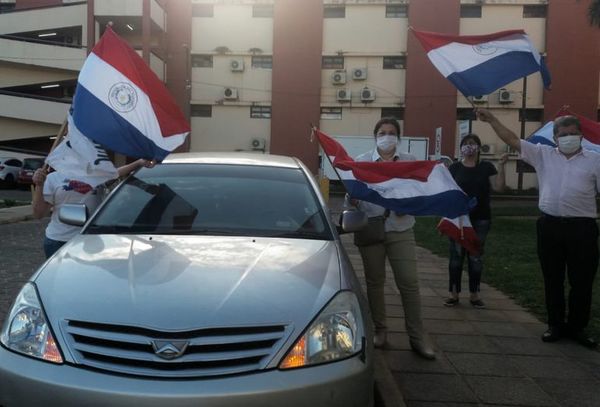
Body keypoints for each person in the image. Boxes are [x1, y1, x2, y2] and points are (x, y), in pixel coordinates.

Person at [477, 108, 598, 349]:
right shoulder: (543, 155)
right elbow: (512, 139)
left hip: (582, 229)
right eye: (563, 134)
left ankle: (577, 327)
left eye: (573, 133)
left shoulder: (595, 161)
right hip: (549, 226)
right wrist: (492, 119)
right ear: (555, 138)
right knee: (552, 278)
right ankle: (555, 324)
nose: (568, 138)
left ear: (581, 135)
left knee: (581, 281)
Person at [350, 117, 435, 359]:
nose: (387, 136)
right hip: (372, 229)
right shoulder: (362, 162)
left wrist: (408, 203)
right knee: (375, 283)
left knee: (409, 283)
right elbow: (352, 196)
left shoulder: (409, 161)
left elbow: (420, 193)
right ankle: (381, 331)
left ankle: (417, 337)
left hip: (401, 228)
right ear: (375, 136)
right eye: (382, 132)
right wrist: (352, 199)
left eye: (391, 132)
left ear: (398, 137)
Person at [32, 158, 154, 258]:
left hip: (91, 239)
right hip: (59, 241)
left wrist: (138, 163)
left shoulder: (97, 175)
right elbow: (39, 214)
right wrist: (39, 186)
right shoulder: (53, 178)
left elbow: (116, 173)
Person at [444, 134, 507, 309]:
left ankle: (474, 294)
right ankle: (453, 294)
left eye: (472, 144)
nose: (469, 147)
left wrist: (501, 166)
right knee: (456, 257)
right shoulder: (455, 167)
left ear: (479, 147)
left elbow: (499, 187)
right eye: (465, 144)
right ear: (461, 148)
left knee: (475, 257)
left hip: (480, 219)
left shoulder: (486, 167)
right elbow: (447, 190)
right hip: (458, 219)